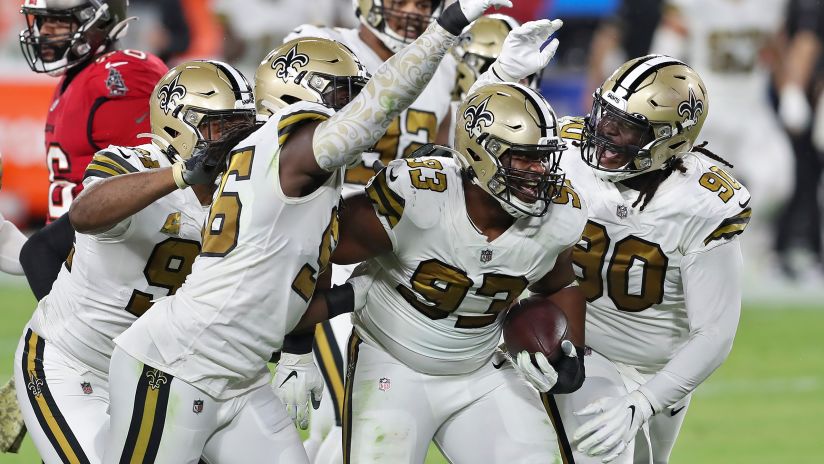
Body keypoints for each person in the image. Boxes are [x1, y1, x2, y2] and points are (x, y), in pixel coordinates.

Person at [103, 1, 511, 462]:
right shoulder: (287, 145)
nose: (352, 106)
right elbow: (381, 106)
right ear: (294, 97)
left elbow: (302, 274)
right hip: (179, 363)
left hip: (242, 373)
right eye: (341, 95)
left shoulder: (305, 171)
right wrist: (446, 27)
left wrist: (314, 333)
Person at [324, 76, 586, 462]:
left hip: (481, 370)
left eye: (544, 158)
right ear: (481, 153)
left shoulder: (558, 216)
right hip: (392, 365)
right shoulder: (418, 197)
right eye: (524, 158)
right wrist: (301, 343)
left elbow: (559, 284)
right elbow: (319, 242)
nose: (539, 172)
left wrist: (570, 353)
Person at [13, 60, 256, 464]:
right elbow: (84, 213)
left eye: (244, 126)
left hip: (163, 373)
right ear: (180, 126)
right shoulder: (135, 164)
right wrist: (182, 174)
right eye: (223, 126)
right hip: (77, 365)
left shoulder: (244, 186)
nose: (238, 138)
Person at [508, 55, 747, 463]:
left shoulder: (702, 204)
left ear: (670, 141)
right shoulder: (563, 153)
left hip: (657, 371)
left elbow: (714, 334)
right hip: (575, 347)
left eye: (627, 127)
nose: (605, 132)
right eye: (605, 115)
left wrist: (645, 400)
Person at [283, 0, 459, 459]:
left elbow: (441, 155)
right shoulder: (324, 45)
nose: (411, 11)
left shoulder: (444, 65)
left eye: (423, 3)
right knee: (346, 407)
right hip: (330, 237)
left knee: (349, 411)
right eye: (400, 0)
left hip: (399, 249)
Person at [17, 0, 168, 301]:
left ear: (101, 22)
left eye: (60, 21)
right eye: (43, 21)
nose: (45, 32)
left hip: (112, 254)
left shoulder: (123, 73)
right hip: (79, 251)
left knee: (38, 253)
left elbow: (146, 176)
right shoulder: (76, 77)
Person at [650, 0, 791, 278]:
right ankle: (699, 258)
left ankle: (752, 249)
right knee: (702, 193)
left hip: (753, 107)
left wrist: (789, 91)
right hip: (707, 108)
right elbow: (666, 50)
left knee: (778, 180)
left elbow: (776, 47)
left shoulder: (770, 5)